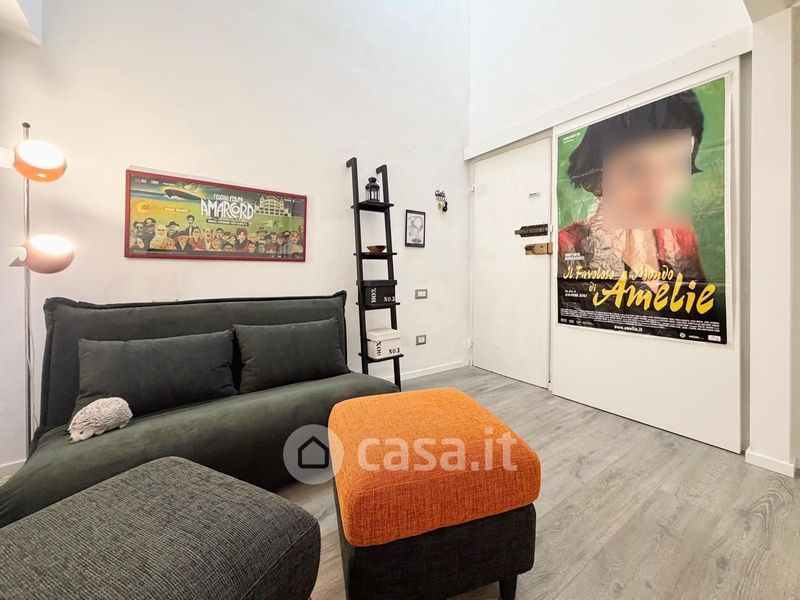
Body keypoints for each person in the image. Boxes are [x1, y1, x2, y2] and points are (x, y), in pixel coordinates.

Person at [558, 89, 706, 291]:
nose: (657, 190)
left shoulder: (680, 234)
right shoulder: (566, 246)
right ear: (597, 174)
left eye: (673, 166)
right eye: (635, 170)